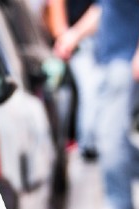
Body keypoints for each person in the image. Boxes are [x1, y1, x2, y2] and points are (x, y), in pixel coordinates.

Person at [55, 0, 139, 209]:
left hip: (126, 60)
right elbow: (103, 10)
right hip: (108, 60)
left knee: (110, 135)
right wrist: (74, 35)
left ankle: (121, 208)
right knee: (100, 135)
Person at [46, 0, 99, 160]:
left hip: (94, 38)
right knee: (89, 91)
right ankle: (88, 143)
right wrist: (63, 38)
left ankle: (89, 141)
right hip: (78, 42)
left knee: (92, 92)